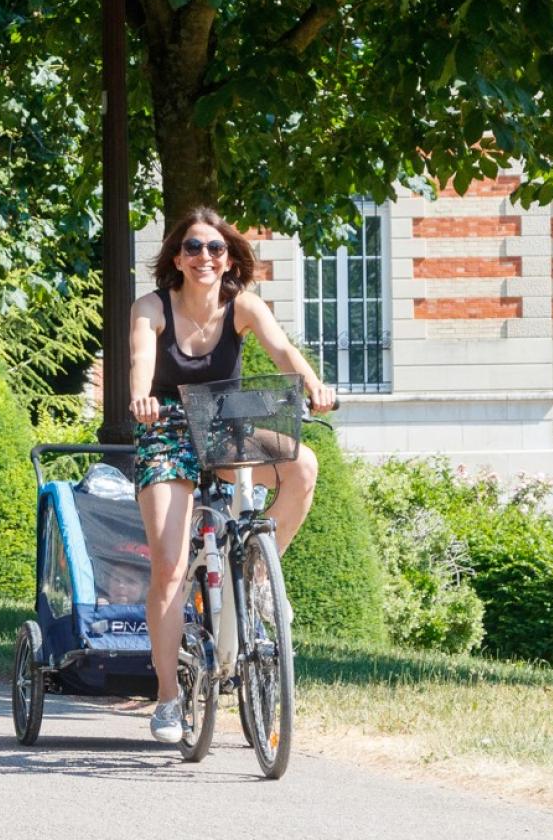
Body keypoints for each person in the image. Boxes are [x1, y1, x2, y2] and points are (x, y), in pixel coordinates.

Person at [128, 207, 334, 745]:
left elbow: (283, 350)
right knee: (170, 567)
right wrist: (141, 397)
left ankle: (258, 574)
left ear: (228, 260)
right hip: (167, 430)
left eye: (215, 249)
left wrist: (313, 384)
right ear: (177, 258)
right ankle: (168, 698)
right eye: (194, 248)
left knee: (302, 465)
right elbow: (140, 360)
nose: (205, 257)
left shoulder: (243, 305)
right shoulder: (152, 307)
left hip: (223, 428)